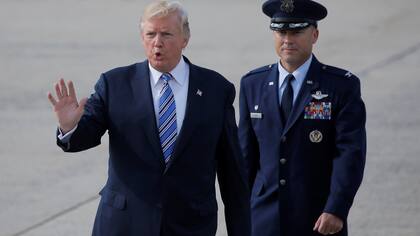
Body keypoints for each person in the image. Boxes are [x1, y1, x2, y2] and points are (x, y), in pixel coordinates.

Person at [47, 1, 250, 235]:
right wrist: (69, 126)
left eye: (166, 34)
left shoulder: (216, 89)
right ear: (142, 38)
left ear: (185, 38)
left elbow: (232, 173)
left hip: (190, 225)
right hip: (125, 225)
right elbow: (85, 136)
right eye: (150, 34)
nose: (157, 43)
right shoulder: (115, 84)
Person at [238, 0, 366, 235]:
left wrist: (337, 208)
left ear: (314, 35)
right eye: (281, 31)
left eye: (296, 31)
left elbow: (350, 153)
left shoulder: (340, 87)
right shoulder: (252, 84)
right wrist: (240, 212)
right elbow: (246, 156)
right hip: (264, 218)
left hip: (318, 218)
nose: (287, 40)